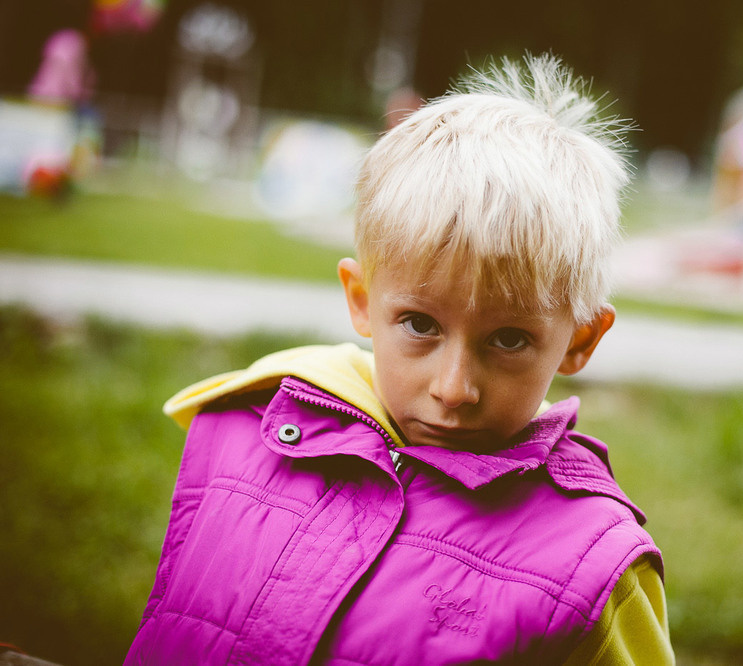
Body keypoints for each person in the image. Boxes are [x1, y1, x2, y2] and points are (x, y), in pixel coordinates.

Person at [126, 53, 674, 665]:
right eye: (419, 324)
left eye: (510, 339)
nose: (454, 388)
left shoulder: (596, 571)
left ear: (579, 339)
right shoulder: (242, 432)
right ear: (361, 300)